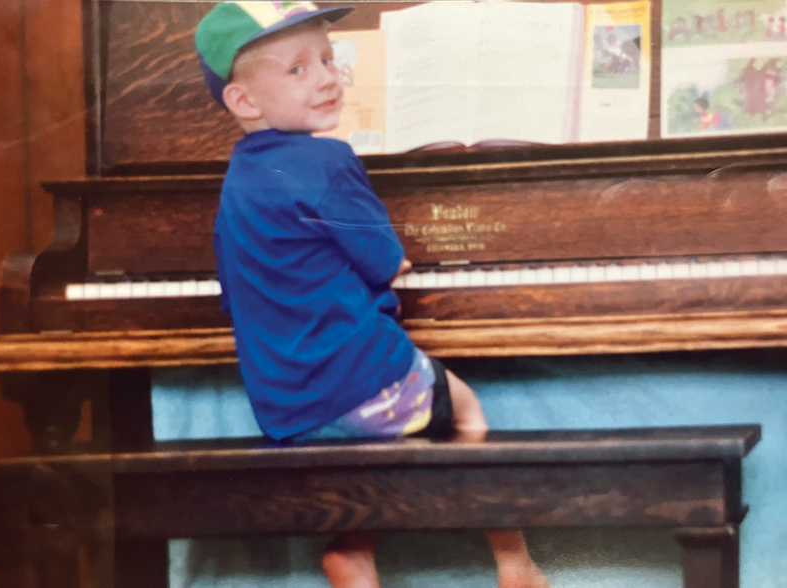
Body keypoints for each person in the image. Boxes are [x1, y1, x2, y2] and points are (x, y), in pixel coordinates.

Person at [195, 3, 549, 587]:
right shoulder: (327, 159)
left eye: (330, 59)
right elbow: (385, 262)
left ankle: (355, 551)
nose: (329, 77)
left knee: (372, 433)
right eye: (299, 69)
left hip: (286, 409)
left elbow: (232, 292)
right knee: (464, 411)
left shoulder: (238, 177)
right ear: (244, 101)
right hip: (361, 386)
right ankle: (516, 565)